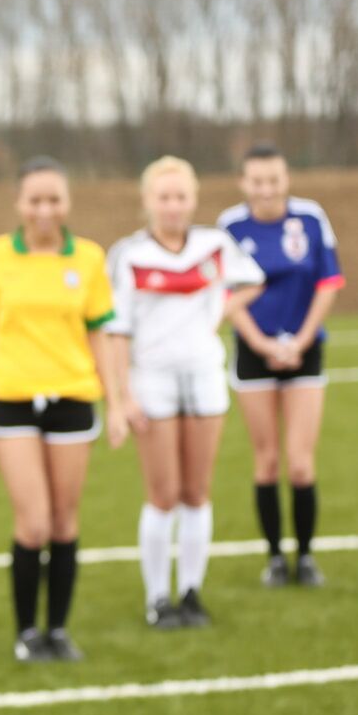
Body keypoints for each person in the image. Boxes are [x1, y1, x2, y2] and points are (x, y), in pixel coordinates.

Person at [0, 156, 125, 663]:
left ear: (67, 202)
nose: (45, 209)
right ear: (19, 203)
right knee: (33, 523)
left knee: (65, 523)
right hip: (12, 401)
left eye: (54, 199)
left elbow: (100, 332)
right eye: (35, 200)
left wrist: (115, 404)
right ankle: (27, 632)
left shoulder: (89, 258)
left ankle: (58, 631)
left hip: (74, 399)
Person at [105, 157, 264, 629]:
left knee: (197, 492)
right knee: (164, 494)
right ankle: (158, 598)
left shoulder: (215, 244)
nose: (173, 206)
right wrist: (122, 395)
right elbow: (116, 332)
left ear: (193, 199)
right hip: (152, 381)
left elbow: (252, 280)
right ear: (147, 201)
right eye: (163, 197)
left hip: (204, 378)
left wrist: (218, 310)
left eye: (181, 197)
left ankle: (192, 592)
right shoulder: (128, 254)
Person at [219, 143, 344, 587]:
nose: (266, 189)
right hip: (255, 351)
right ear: (243, 183)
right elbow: (226, 297)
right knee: (267, 461)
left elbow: (328, 281)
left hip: (304, 349)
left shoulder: (310, 217)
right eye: (257, 181)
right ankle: (274, 557)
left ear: (286, 179)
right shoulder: (229, 227)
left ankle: (306, 557)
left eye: (274, 180)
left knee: (301, 465)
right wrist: (261, 342)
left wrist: (302, 339)